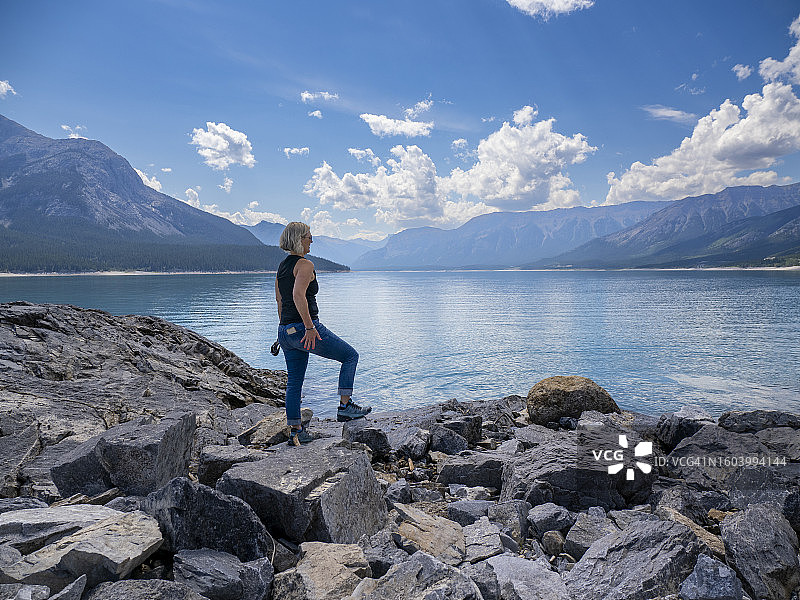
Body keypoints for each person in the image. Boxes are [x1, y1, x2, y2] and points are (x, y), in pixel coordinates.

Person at [275, 221, 371, 445]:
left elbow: (280, 300)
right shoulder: (305, 265)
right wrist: (309, 327)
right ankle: (345, 406)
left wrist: (284, 330)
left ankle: (296, 431)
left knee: (294, 382)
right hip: (305, 328)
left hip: (286, 332)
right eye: (309, 236)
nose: (311, 240)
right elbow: (299, 296)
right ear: (299, 239)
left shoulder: (282, 267)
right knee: (350, 356)